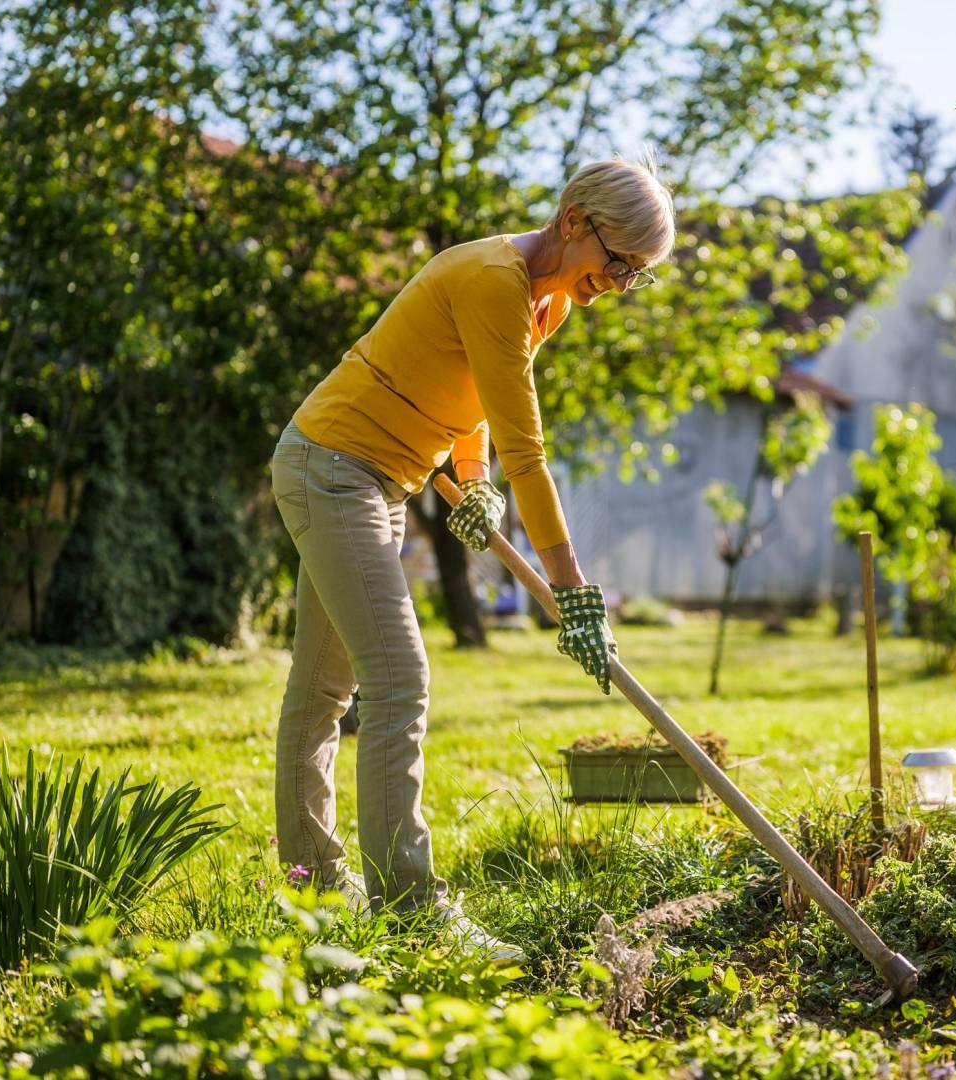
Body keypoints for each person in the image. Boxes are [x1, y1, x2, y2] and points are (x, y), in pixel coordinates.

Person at [268, 157, 675, 955]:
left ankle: (310, 885)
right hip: (333, 467)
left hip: (375, 480)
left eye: (637, 277)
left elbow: (478, 397)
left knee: (322, 687)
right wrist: (575, 593)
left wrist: (472, 476)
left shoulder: (546, 297)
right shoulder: (494, 277)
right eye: (618, 263)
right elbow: (532, 452)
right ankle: (410, 909)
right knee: (398, 680)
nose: (619, 284)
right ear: (572, 223)